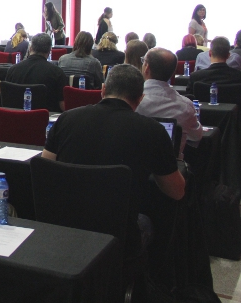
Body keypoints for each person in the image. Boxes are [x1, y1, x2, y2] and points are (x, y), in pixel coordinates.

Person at [44, 64, 185, 255]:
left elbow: (47, 169)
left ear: (103, 90)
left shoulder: (66, 119)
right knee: (152, 220)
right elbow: (176, 192)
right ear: (140, 99)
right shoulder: (153, 130)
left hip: (63, 227)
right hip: (119, 236)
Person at [136, 48, 202, 158]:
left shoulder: (131, 101)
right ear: (173, 72)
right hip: (172, 165)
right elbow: (196, 136)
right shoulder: (185, 106)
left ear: (146, 67)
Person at [5, 33, 66, 112]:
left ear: (30, 49)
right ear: (49, 52)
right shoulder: (58, 73)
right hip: (45, 118)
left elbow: (6, 101)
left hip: (16, 117)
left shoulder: (12, 70)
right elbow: (63, 106)